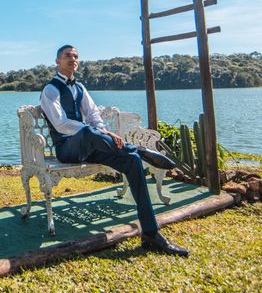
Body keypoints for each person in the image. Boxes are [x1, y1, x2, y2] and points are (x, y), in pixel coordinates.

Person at [40, 44, 189, 256]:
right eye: (67, 56)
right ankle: (138, 149)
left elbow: (93, 116)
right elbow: (60, 124)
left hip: (89, 146)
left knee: (132, 162)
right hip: (67, 149)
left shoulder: (80, 87)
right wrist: (98, 132)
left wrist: (102, 131)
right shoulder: (50, 89)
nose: (72, 59)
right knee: (89, 132)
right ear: (57, 61)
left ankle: (150, 233)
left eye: (76, 56)